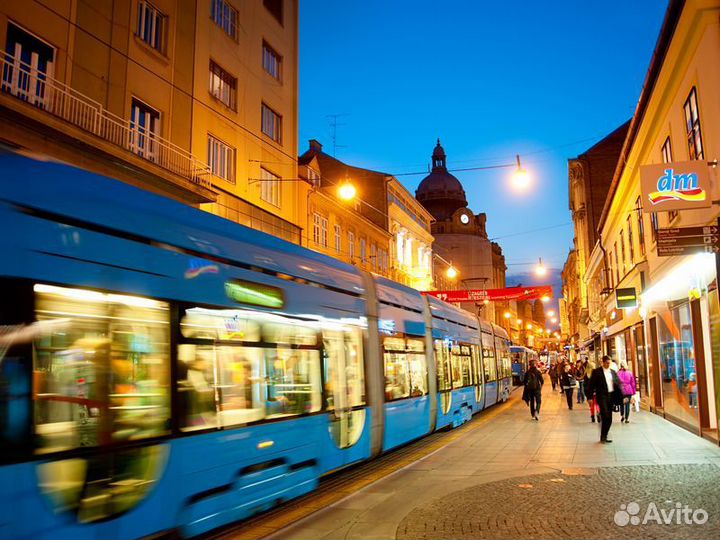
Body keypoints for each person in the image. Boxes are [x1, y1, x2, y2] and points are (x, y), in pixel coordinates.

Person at [586, 355, 622, 443]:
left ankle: (605, 435)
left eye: (609, 363)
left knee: (609, 418)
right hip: (602, 396)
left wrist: (623, 396)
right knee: (605, 415)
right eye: (607, 363)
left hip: (611, 396)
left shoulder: (613, 372)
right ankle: (603, 436)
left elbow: (618, 384)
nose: (608, 364)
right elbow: (591, 385)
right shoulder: (596, 372)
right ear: (603, 362)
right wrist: (589, 397)